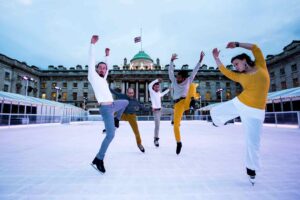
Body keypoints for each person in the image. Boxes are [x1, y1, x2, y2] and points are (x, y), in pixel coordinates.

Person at [211, 42, 270, 185]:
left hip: (256, 111)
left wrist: (237, 44)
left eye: (236, 63)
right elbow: (225, 71)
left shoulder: (261, 65)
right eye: (234, 65)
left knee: (253, 142)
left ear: (244, 60)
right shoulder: (240, 76)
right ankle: (217, 122)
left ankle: (251, 170)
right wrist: (216, 59)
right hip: (241, 103)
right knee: (215, 111)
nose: (235, 67)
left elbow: (255, 48)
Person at [88, 35, 128, 173]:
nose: (103, 70)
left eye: (104, 68)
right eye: (100, 68)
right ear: (96, 69)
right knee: (110, 135)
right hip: (105, 108)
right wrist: (92, 44)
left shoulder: (104, 79)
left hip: (113, 105)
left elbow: (108, 68)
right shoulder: (92, 76)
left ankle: (117, 119)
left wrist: (107, 56)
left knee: (125, 101)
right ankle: (99, 159)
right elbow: (91, 60)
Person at [169, 51, 205, 154]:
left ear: (184, 78)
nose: (177, 78)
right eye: (177, 76)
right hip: (178, 105)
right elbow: (170, 72)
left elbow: (195, 71)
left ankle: (193, 101)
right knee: (176, 125)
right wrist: (171, 61)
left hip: (187, 100)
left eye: (179, 77)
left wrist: (200, 61)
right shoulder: (174, 81)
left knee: (193, 85)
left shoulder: (188, 80)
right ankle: (179, 142)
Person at [104, 87, 149, 153]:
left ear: (133, 93)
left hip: (131, 116)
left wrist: (150, 109)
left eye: (132, 93)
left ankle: (139, 144)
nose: (131, 94)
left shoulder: (135, 100)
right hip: (123, 114)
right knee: (111, 113)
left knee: (136, 131)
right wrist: (105, 85)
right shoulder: (122, 96)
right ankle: (109, 127)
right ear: (127, 93)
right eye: (129, 93)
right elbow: (114, 92)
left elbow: (142, 107)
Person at [148, 78, 174, 147]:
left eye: (158, 86)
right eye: (156, 87)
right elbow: (149, 85)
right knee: (157, 126)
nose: (157, 88)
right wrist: (157, 80)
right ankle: (155, 139)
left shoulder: (159, 93)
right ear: (153, 87)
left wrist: (169, 89)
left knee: (173, 111)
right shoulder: (152, 92)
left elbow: (163, 93)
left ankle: (173, 121)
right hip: (156, 112)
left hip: (161, 109)